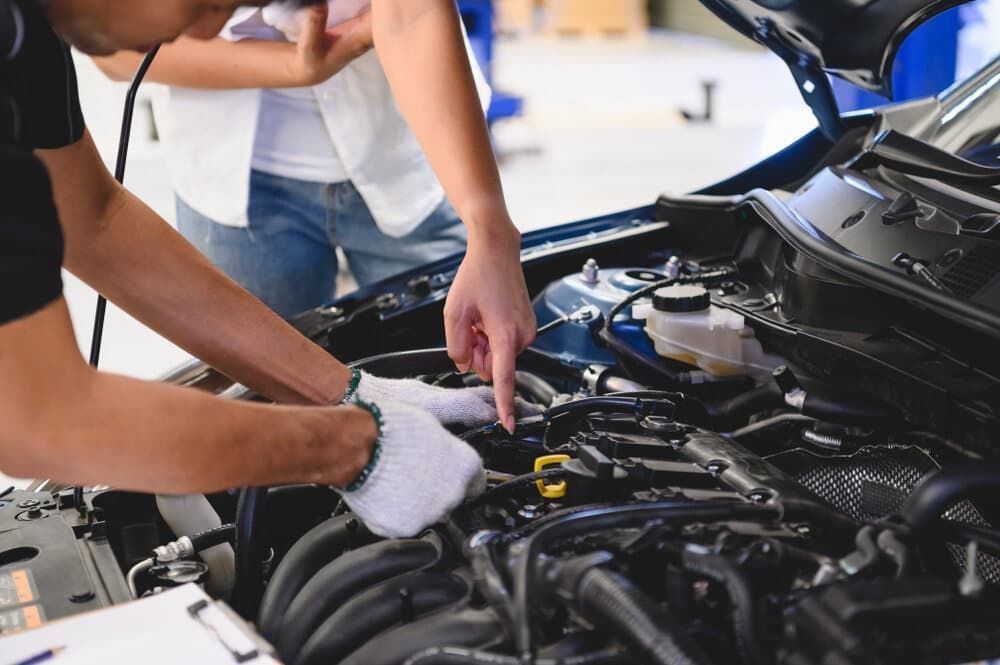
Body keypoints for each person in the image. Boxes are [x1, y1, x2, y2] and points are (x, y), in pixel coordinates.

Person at [0, 0, 537, 539]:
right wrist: (352, 447)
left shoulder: (28, 39)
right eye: (211, 2)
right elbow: (36, 417)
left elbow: (92, 219)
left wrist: (351, 395)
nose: (212, 29)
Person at [93, 2, 484, 319]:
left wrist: (490, 229)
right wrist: (294, 69)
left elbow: (413, 15)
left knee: (465, 377)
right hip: (232, 185)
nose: (201, 31)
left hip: (406, 158)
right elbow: (117, 47)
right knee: (266, 394)